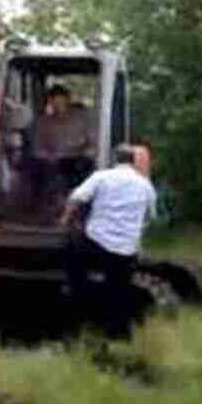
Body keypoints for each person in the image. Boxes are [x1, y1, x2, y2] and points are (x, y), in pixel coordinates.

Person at [59, 143, 157, 340]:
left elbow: (76, 197)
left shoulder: (102, 177)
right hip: (126, 251)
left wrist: (65, 219)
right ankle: (117, 334)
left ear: (115, 160)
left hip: (97, 244)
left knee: (71, 250)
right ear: (133, 162)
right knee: (119, 291)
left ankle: (75, 290)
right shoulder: (146, 186)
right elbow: (150, 217)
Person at [31, 84, 95, 214]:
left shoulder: (82, 118)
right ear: (49, 102)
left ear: (67, 100)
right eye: (54, 102)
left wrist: (87, 152)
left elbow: (93, 143)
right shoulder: (44, 122)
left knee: (81, 169)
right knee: (36, 168)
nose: (57, 105)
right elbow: (37, 147)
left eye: (60, 101)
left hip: (78, 158)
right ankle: (46, 209)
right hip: (52, 160)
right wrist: (46, 156)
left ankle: (76, 210)